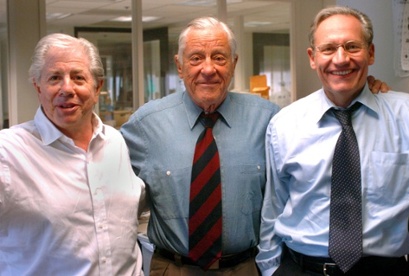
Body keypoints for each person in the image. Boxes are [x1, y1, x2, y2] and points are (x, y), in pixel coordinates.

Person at [121, 16, 388, 276]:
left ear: (234, 63)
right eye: (195, 58)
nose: (208, 68)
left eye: (219, 57)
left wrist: (364, 92)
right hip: (171, 268)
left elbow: (323, 150)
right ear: (179, 66)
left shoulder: (271, 119)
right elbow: (101, 172)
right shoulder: (146, 125)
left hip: (246, 267)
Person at [256, 6, 409, 276]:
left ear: (371, 53)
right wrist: (271, 270)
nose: (340, 59)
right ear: (312, 57)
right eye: (328, 49)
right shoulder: (284, 125)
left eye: (352, 46)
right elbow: (274, 208)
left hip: (383, 270)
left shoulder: (408, 116)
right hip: (302, 268)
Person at [0, 33, 146, 275]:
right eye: (54, 78)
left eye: (78, 78)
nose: (67, 88)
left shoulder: (115, 142)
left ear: (97, 86)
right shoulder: (8, 152)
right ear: (38, 87)